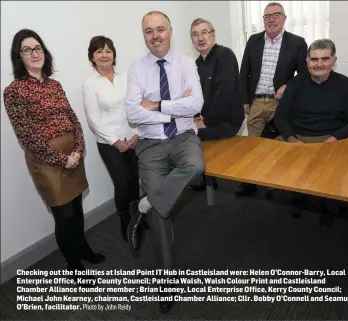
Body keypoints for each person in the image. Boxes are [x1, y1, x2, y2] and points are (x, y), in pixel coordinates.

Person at [3, 29, 104, 283]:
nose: (34, 53)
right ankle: (72, 264)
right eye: (27, 49)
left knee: (77, 206)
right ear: (19, 57)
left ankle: (83, 250)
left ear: (44, 53)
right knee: (63, 214)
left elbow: (73, 119)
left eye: (38, 48)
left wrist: (79, 148)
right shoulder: (14, 91)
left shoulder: (55, 85)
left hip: (72, 153)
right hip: (45, 160)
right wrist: (62, 159)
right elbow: (26, 136)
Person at [125, 11, 204, 312]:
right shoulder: (136, 69)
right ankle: (166, 282)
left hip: (184, 138)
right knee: (161, 214)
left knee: (196, 166)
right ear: (143, 35)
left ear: (170, 31)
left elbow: (196, 104)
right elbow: (133, 114)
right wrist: (176, 108)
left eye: (160, 29)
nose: (155, 35)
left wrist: (156, 104)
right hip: (150, 143)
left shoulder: (185, 62)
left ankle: (141, 206)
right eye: (149, 31)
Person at [274, 38, 348, 220]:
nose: (319, 64)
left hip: (332, 139)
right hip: (298, 137)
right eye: (314, 59)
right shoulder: (295, 83)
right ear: (307, 62)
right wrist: (293, 140)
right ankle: (299, 196)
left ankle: (328, 202)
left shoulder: (346, 85)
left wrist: (334, 138)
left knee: (334, 175)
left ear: (334, 61)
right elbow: (280, 117)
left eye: (325, 59)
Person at [237, 1, 308, 196]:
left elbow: (304, 75)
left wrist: (288, 85)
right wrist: (244, 100)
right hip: (257, 100)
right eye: (267, 16)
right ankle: (250, 181)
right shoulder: (254, 40)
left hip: (281, 103)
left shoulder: (297, 42)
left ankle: (280, 181)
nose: (271, 19)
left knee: (281, 143)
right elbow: (244, 73)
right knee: (252, 145)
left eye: (276, 15)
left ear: (284, 18)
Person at [82, 36, 140, 241]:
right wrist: (116, 141)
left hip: (132, 136)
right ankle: (125, 221)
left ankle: (138, 219)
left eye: (108, 51)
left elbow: (138, 106)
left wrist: (136, 135)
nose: (104, 55)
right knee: (122, 184)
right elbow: (93, 119)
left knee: (134, 181)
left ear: (113, 54)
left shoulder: (126, 77)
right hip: (109, 143)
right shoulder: (90, 84)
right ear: (92, 57)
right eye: (99, 51)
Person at [189, 18, 245, 190]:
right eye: (195, 34)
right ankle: (207, 177)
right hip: (209, 118)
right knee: (186, 132)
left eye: (204, 32)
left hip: (227, 121)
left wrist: (205, 121)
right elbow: (196, 97)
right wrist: (196, 117)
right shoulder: (196, 64)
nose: (200, 38)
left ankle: (205, 177)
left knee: (189, 137)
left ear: (213, 35)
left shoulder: (225, 55)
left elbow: (224, 95)